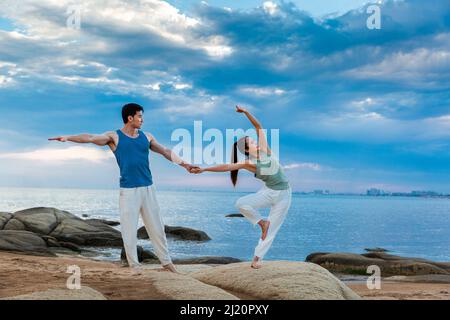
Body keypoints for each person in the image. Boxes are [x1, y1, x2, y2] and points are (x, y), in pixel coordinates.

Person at [49, 103, 198, 273]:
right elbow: (90, 137)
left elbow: (165, 151)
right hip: (128, 191)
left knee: (157, 227)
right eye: (139, 116)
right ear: (130, 118)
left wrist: (184, 164)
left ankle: (167, 264)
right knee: (129, 230)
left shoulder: (147, 137)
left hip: (148, 188)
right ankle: (134, 266)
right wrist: (68, 137)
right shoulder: (114, 137)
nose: (142, 120)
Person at [192, 105, 292, 269]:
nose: (256, 142)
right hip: (268, 192)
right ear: (247, 150)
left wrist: (246, 112)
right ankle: (261, 223)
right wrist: (204, 169)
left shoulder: (266, 150)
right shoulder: (249, 163)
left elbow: (258, 126)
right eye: (252, 142)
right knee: (241, 203)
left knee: (272, 230)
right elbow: (227, 166)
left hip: (284, 194)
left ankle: (257, 259)